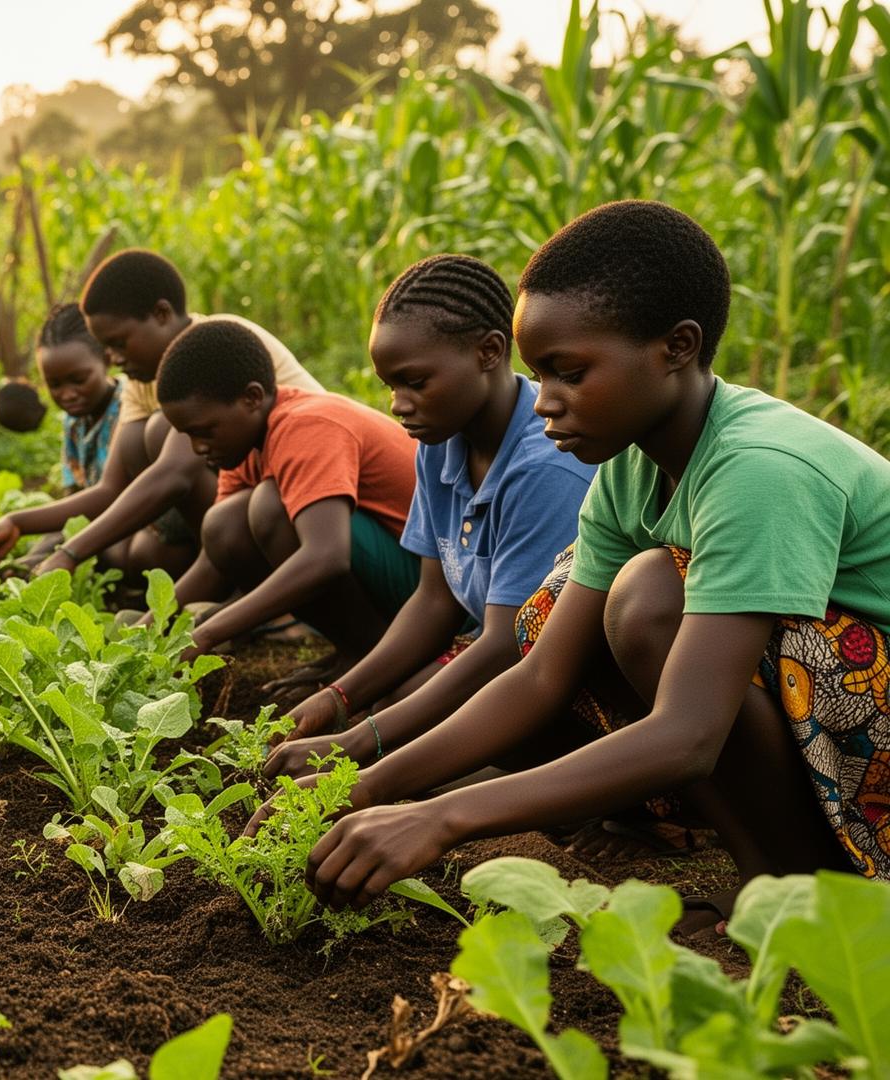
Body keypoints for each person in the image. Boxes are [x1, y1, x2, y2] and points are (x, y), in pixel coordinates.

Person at [287, 201, 890, 934]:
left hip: (867, 712)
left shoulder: (759, 468)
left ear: (677, 346)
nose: (543, 404)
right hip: (835, 709)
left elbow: (690, 734)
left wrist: (442, 817)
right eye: (539, 374)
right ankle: (768, 883)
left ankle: (814, 897)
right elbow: (539, 675)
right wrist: (361, 784)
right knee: (560, 608)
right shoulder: (632, 467)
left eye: (569, 372)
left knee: (648, 598)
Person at [263, 255, 593, 774]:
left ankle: (575, 792)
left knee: (411, 719)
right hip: (495, 644)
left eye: (415, 381)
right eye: (390, 385)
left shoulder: (545, 466)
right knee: (400, 700)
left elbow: (509, 647)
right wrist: (339, 699)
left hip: (567, 678)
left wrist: (358, 741)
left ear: (489, 351)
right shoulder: (441, 440)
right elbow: (434, 599)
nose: (399, 404)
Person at [0, 249, 322, 580]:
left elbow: (174, 474)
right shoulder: (144, 377)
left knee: (158, 432)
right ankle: (221, 577)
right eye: (107, 347)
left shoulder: (212, 347)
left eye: (119, 343)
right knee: (140, 447)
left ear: (162, 314)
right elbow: (110, 487)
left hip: (307, 502)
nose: (114, 358)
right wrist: (17, 521)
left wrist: (72, 553)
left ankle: (246, 587)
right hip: (252, 500)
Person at [155, 319, 421, 678]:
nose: (198, 448)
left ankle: (372, 654)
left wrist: (210, 632)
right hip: (395, 573)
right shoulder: (243, 445)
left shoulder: (306, 425)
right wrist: (147, 630)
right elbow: (212, 560)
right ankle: (355, 650)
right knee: (223, 524)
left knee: (270, 505)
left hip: (433, 585)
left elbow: (327, 557)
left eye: (204, 431)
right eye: (188, 435)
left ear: (251, 398)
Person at [0, 303, 122, 566]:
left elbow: (112, 498)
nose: (68, 394)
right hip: (94, 524)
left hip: (128, 527)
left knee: (122, 553)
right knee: (34, 556)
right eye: (55, 384)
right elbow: (74, 509)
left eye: (79, 380)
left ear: (106, 359)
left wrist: (23, 525)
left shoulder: (128, 409)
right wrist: (32, 559)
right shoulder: (74, 423)